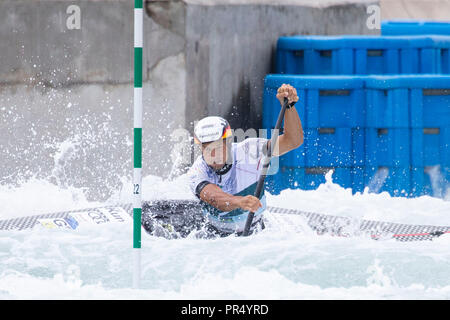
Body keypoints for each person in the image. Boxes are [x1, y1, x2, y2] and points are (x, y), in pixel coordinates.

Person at [187, 83, 304, 236]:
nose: (213, 155)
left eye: (217, 147)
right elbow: (214, 198)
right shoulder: (197, 171)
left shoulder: (250, 151)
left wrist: (289, 107)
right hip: (215, 236)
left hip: (257, 231)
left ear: (228, 142)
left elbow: (293, 141)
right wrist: (239, 202)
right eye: (206, 149)